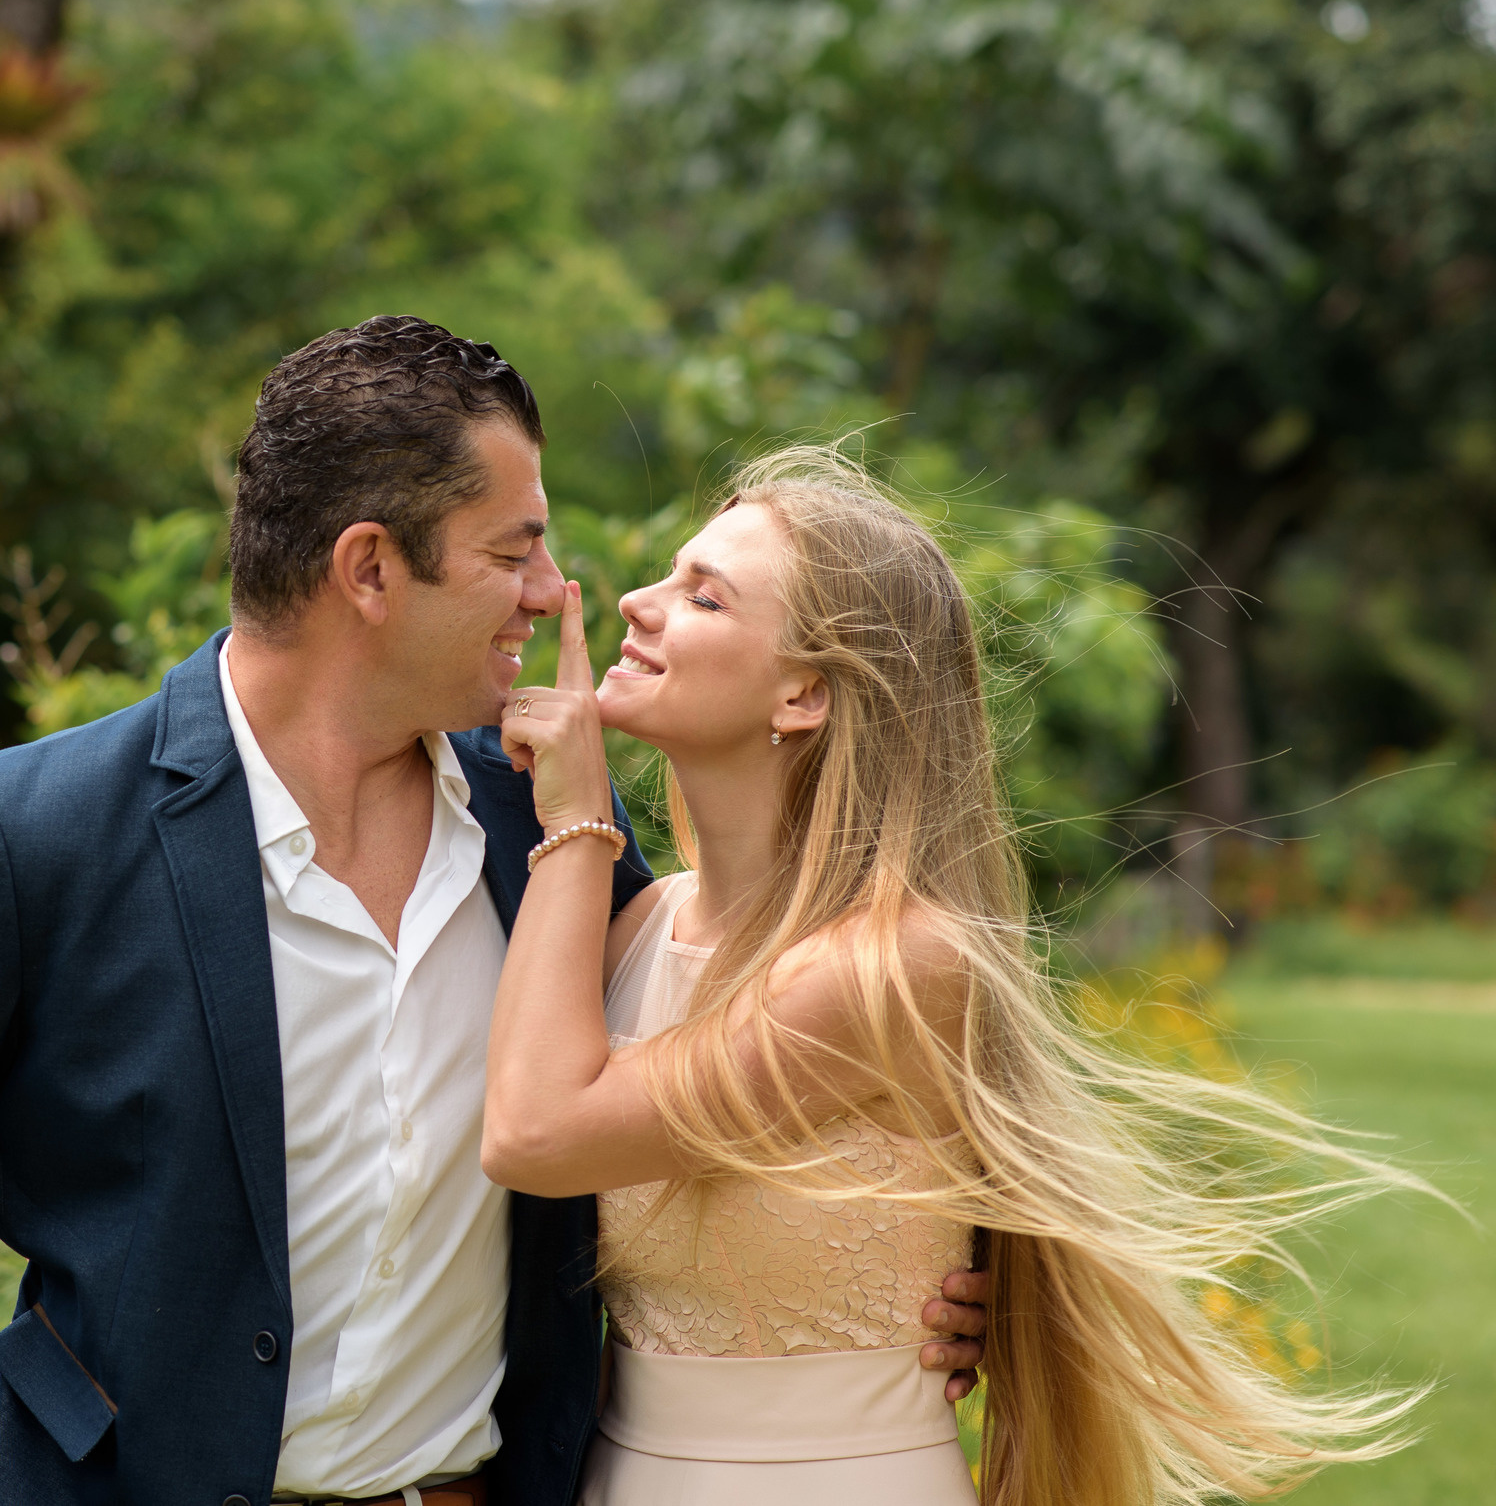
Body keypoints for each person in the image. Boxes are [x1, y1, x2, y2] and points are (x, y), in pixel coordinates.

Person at [0, 324, 986, 1506]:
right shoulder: (39, 833)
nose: (557, 594)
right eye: (512, 552)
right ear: (370, 568)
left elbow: (745, 1078)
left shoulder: (549, 837)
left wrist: (928, 1282)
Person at [484, 447, 1428, 1506]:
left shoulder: (896, 961)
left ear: (802, 691)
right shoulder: (638, 926)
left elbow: (532, 1133)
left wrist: (575, 819)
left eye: (701, 594)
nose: (634, 601)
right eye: (669, 574)